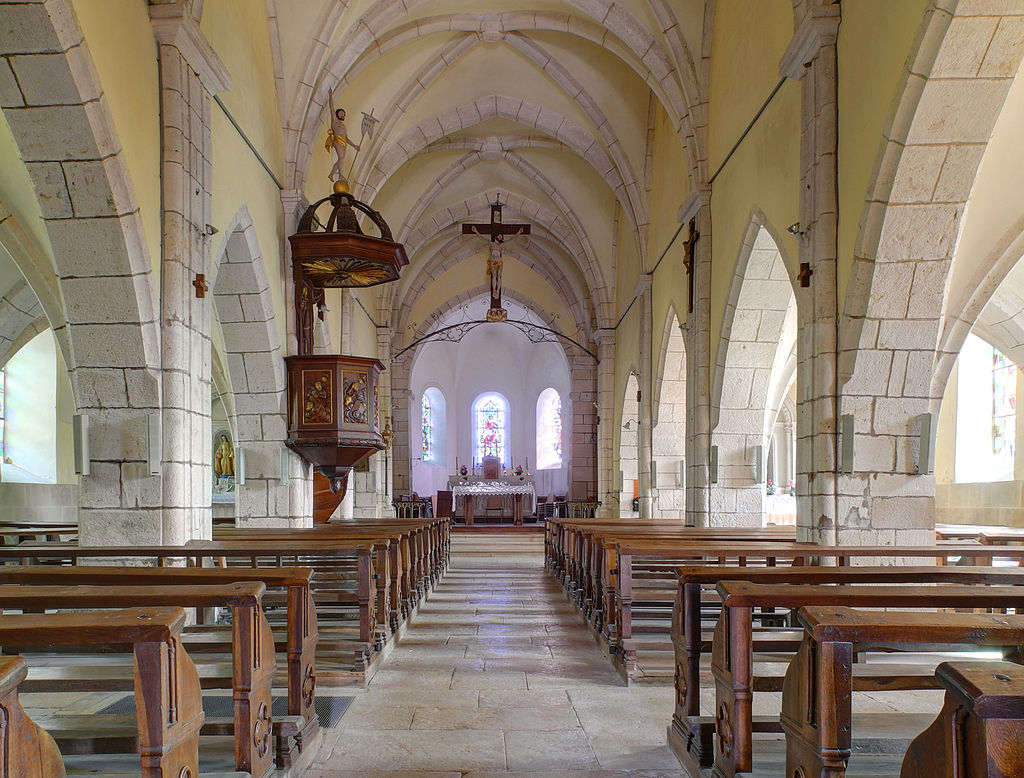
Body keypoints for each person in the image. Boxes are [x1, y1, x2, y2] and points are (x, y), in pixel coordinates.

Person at [326, 89, 360, 183]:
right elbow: (331, 108)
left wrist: (354, 146)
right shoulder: (335, 121)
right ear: (337, 114)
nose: (342, 115)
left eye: (343, 114)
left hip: (343, 142)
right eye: (341, 113)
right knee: (341, 158)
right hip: (337, 140)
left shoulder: (343, 125)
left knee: (341, 159)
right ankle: (340, 175)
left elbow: (347, 138)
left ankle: (332, 174)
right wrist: (330, 96)